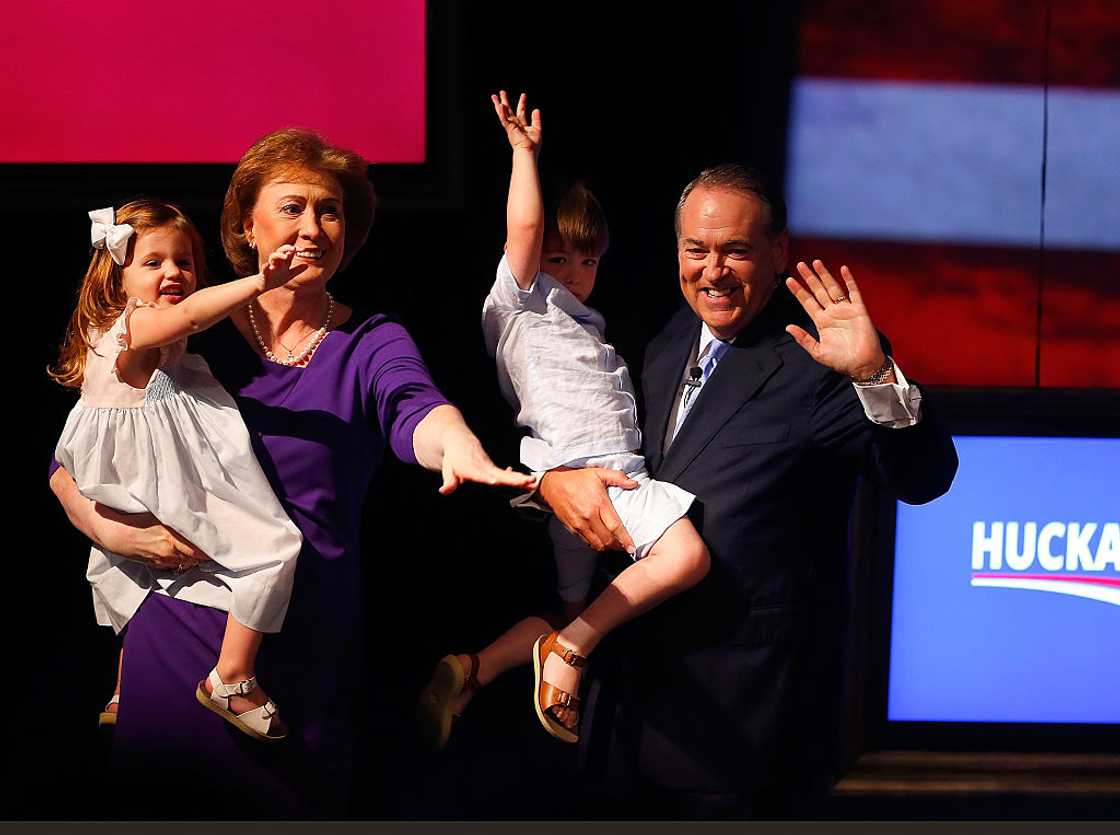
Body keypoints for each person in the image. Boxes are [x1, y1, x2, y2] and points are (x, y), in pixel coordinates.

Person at [49, 128, 534, 816]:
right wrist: (113, 531)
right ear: (247, 226)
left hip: (303, 653)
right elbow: (80, 452)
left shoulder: (368, 339)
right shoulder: (193, 329)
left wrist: (457, 444)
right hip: (175, 632)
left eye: (329, 211)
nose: (312, 227)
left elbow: (414, 405)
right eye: (293, 207)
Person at [537, 164, 959, 817]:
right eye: (696, 249)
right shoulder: (657, 337)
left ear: (777, 251)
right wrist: (557, 477)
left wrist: (876, 374)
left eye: (735, 250)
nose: (714, 270)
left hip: (741, 728)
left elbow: (926, 477)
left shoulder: (819, 358)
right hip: (623, 709)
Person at [417, 93, 708, 750]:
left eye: (588, 260)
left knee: (577, 609)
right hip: (594, 474)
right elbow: (524, 232)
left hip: (576, 479)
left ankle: (475, 668)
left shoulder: (589, 323)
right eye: (560, 260)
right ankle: (568, 652)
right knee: (683, 555)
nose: (575, 274)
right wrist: (524, 155)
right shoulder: (520, 305)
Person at [52, 200, 306, 741]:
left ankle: (127, 687)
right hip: (142, 471)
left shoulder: (143, 336)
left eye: (185, 261)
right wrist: (261, 279)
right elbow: (191, 315)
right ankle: (231, 678)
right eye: (153, 262)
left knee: (141, 575)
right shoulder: (139, 323)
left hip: (122, 474)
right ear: (116, 274)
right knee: (274, 547)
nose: (173, 273)